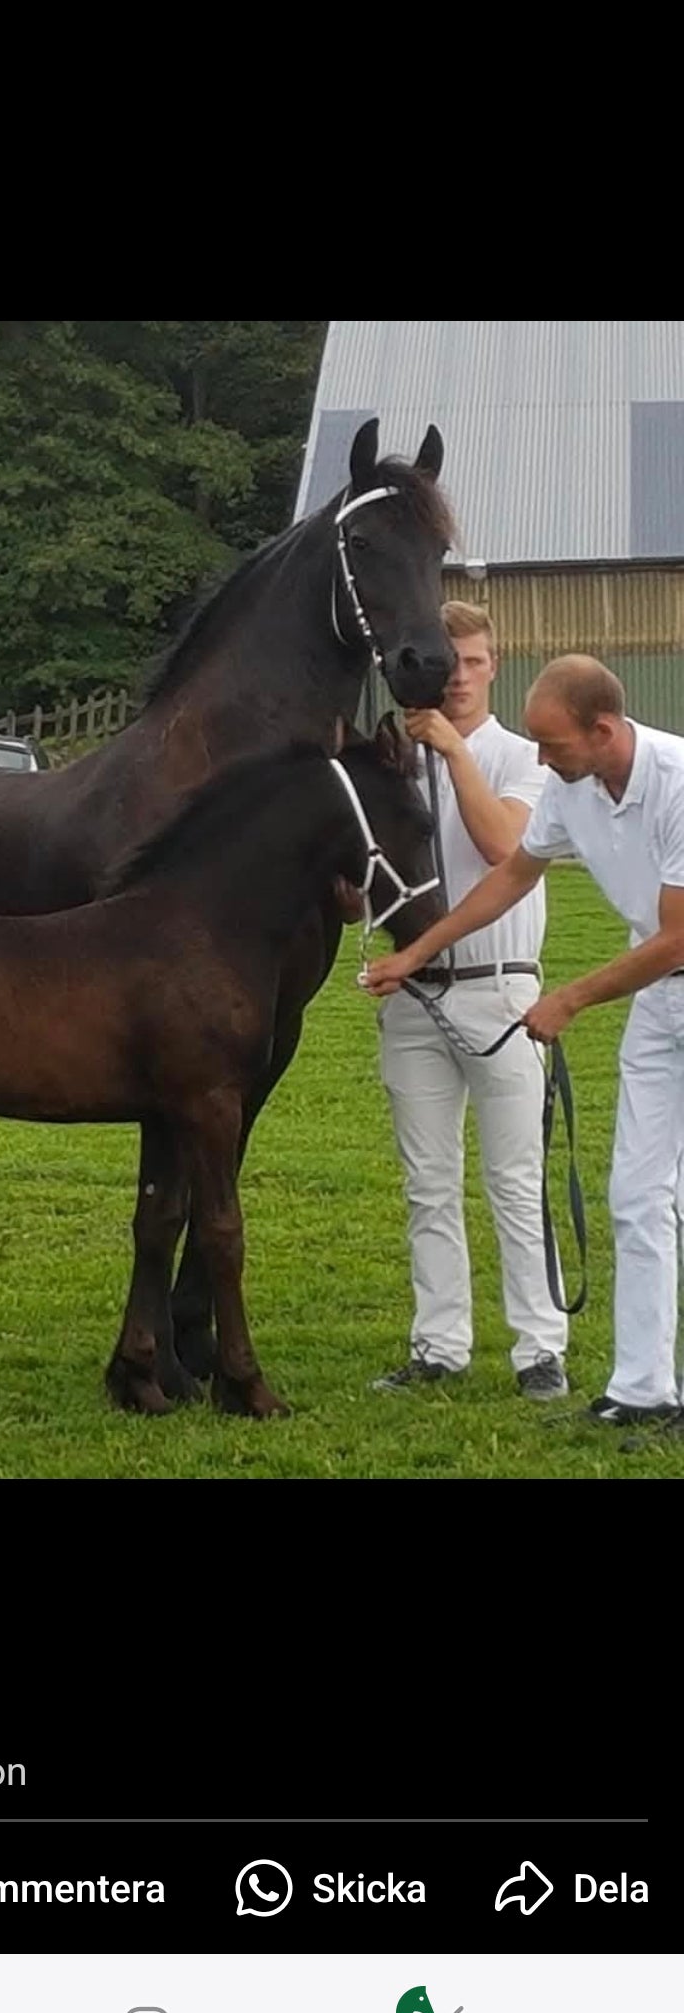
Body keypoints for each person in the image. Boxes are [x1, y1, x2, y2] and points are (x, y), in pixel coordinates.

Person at [365, 654, 684, 1431]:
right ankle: (644, 1392)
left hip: (666, 963)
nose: (542, 760)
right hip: (662, 1005)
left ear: (603, 730)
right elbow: (510, 877)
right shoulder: (574, 788)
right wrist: (415, 952)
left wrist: (569, 998)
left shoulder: (677, 780)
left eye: (554, 745)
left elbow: (679, 937)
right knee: (636, 1199)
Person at [370, 601, 567, 1400]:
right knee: (428, 1182)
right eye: (445, 665)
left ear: (494, 665)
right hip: (415, 995)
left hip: (500, 988)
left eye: (474, 663)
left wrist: (453, 753)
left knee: (516, 1179)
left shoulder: (525, 760)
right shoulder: (392, 762)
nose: (457, 680)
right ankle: (439, 1344)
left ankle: (539, 1349)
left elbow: (502, 849)